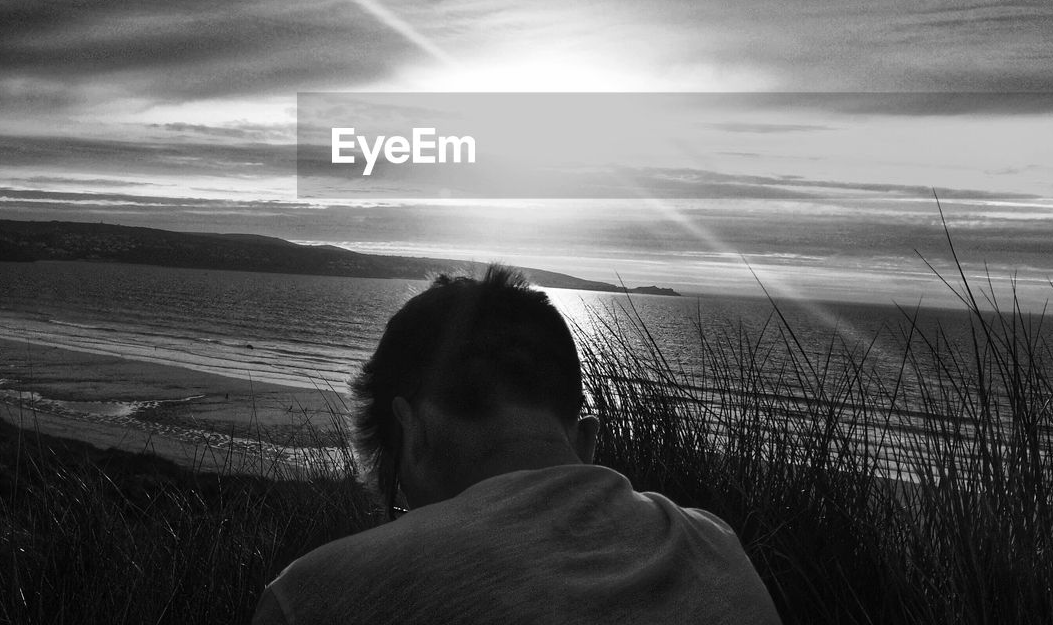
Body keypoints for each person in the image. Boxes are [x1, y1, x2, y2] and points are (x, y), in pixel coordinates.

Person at [252, 264, 781, 625]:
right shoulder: (720, 550)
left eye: (400, 501)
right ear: (587, 441)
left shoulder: (315, 599)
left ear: (412, 436)